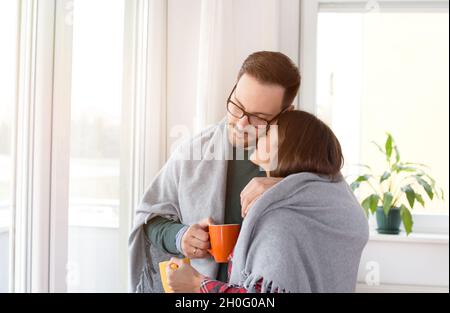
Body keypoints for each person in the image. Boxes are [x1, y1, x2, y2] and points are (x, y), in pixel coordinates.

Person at [129, 51, 301, 292]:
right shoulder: (194, 152)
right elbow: (149, 218)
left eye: (258, 117)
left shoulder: (303, 160)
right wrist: (181, 237)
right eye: (237, 106)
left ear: (286, 113)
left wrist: (293, 189)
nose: (241, 123)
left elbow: (340, 216)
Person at [166, 110, 369, 293]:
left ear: (286, 147)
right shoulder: (315, 209)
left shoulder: (280, 219)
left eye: (269, 130)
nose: (258, 133)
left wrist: (195, 284)